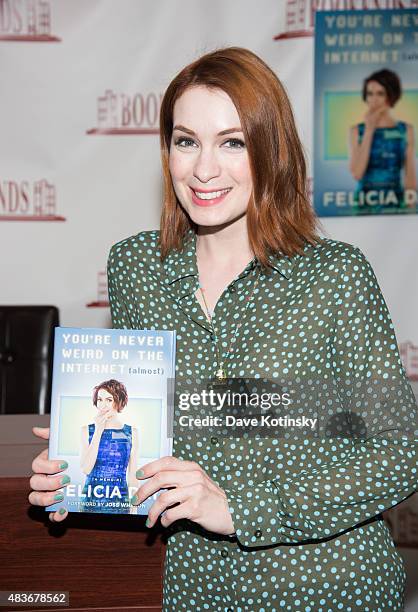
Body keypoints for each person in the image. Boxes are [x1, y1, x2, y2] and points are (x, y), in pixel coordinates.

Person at [30, 47, 417, 611]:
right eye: (187, 141)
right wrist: (79, 478)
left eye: (232, 142)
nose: (203, 168)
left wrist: (241, 508)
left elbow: (400, 450)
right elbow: (153, 427)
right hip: (194, 586)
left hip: (326, 585)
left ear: (269, 150)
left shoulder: (335, 275)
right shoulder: (136, 268)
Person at [349, 68, 417, 213]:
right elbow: (357, 173)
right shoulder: (356, 131)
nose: (374, 100)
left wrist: (411, 209)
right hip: (364, 205)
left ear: (391, 96)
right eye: (370, 94)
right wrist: (369, 129)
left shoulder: (406, 130)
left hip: (396, 203)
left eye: (380, 94)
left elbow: (409, 173)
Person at [79, 379, 139, 514]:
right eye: (100, 399)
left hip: (119, 500)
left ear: (119, 402)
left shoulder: (131, 433)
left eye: (109, 400)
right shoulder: (86, 431)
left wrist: (134, 508)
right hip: (91, 499)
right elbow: (86, 469)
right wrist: (99, 430)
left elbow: (133, 476)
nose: (103, 405)